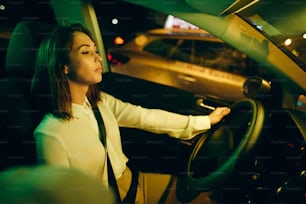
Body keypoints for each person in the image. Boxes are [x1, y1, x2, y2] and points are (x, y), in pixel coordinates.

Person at [31, 23, 230, 204]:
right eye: (86, 52)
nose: (98, 57)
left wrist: (205, 121)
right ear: (63, 66)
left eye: (96, 50)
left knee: (204, 196)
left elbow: (146, 117)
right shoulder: (50, 134)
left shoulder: (100, 102)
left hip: (132, 183)